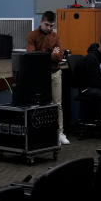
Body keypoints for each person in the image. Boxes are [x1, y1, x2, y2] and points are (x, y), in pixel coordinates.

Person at [26, 10, 68, 145]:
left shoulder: (55, 36)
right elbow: (32, 56)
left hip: (55, 72)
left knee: (57, 104)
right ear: (41, 22)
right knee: (40, 104)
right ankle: (43, 133)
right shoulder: (32, 36)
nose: (49, 28)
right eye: (47, 25)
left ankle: (60, 132)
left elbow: (59, 56)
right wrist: (50, 53)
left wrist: (46, 54)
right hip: (39, 75)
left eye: (52, 26)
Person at [76, 33, 101, 120]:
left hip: (97, 85)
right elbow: (94, 81)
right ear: (100, 44)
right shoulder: (91, 58)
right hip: (87, 87)